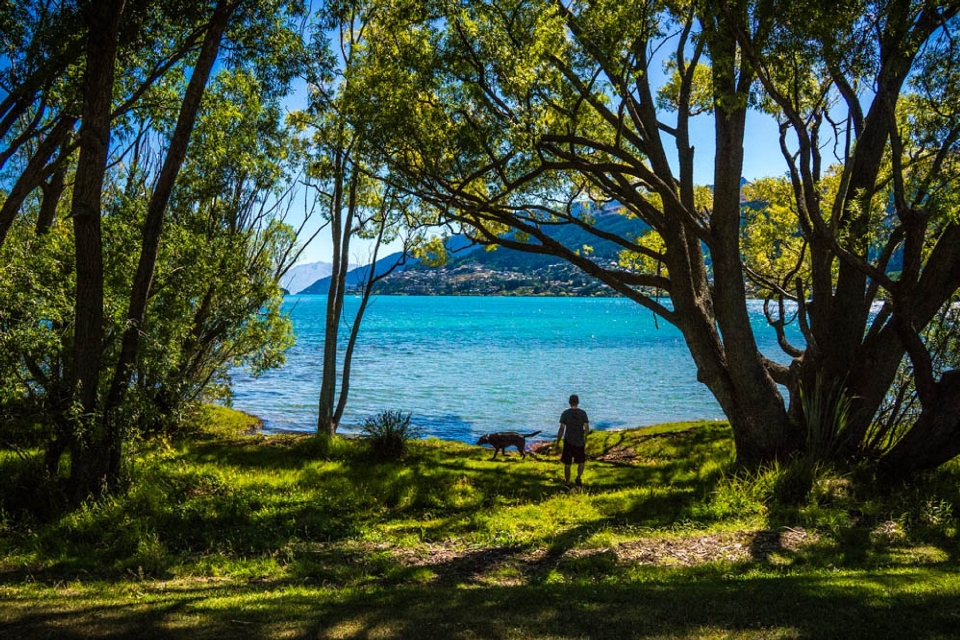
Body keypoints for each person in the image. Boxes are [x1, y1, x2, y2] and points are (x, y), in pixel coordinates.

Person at [557, 394, 589, 487]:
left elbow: (561, 429)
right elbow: (586, 428)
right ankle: (578, 477)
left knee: (567, 463)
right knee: (581, 461)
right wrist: (584, 436)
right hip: (579, 441)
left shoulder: (565, 413)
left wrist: (558, 441)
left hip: (568, 441)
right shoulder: (583, 413)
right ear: (578, 402)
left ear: (569, 402)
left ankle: (567, 482)